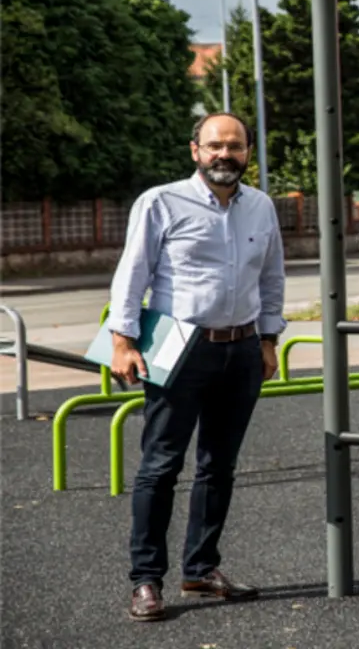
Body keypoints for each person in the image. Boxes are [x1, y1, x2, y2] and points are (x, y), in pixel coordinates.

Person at [106, 112, 287, 622]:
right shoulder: (160, 202)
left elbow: (272, 278)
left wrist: (269, 340)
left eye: (234, 146)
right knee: (161, 465)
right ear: (195, 151)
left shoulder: (261, 207)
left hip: (243, 348)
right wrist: (123, 341)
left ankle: (201, 569)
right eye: (214, 145)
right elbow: (131, 274)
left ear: (248, 152)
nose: (224, 154)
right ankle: (146, 581)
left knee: (218, 466)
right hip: (177, 346)